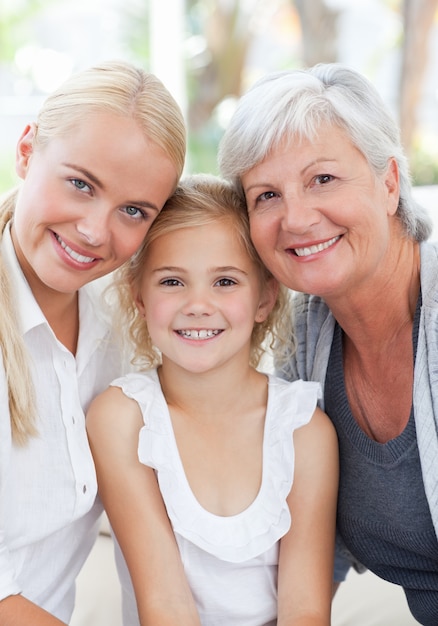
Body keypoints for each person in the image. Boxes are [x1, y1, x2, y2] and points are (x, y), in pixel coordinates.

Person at [217, 62, 438, 625]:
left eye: (323, 179)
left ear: (389, 183)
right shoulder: (307, 340)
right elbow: (313, 546)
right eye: (266, 195)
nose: (296, 217)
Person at [86, 173, 339, 626]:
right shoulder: (123, 418)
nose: (198, 304)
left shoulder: (304, 430)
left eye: (224, 281)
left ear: (265, 297)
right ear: (138, 297)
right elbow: (165, 605)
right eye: (171, 282)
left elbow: (306, 610)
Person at [0, 59, 186, 625]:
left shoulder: (125, 333)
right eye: (80, 184)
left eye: (133, 211)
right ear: (27, 151)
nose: (94, 232)